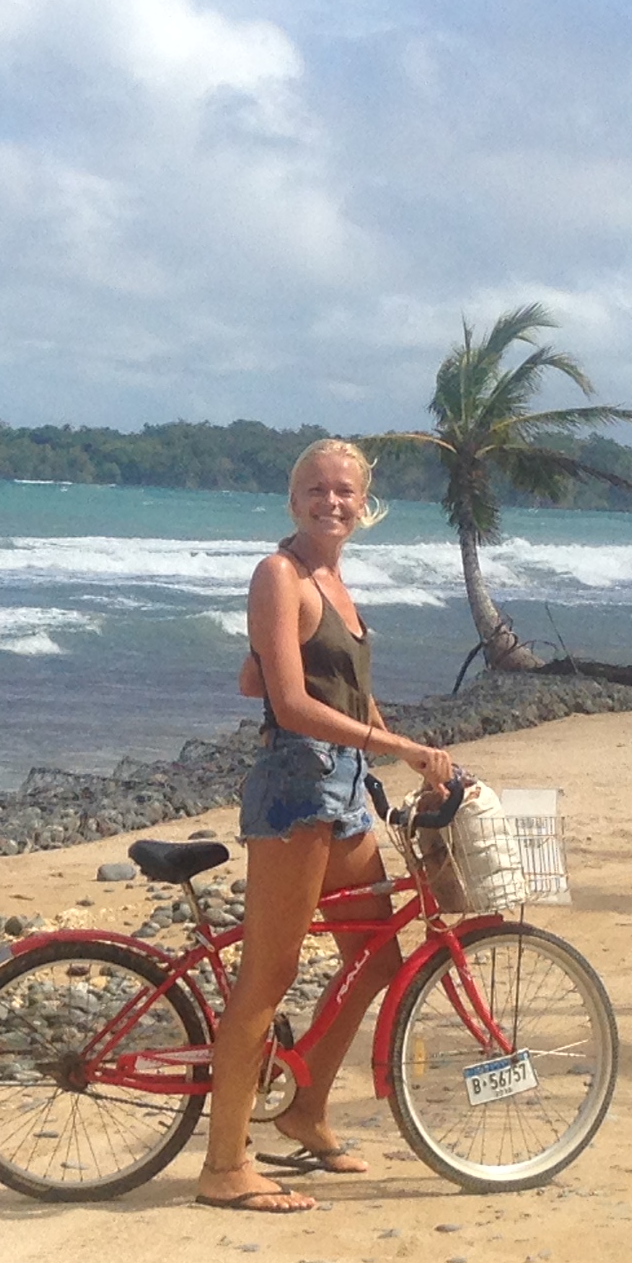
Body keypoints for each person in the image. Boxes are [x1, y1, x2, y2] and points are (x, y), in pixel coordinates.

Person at [195, 438, 457, 1214]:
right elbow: (289, 704)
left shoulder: (334, 583)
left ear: (364, 504)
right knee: (267, 978)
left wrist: (411, 754)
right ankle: (223, 1166)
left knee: (375, 958)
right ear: (293, 498)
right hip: (295, 789)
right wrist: (398, 746)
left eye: (344, 490)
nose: (330, 501)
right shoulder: (279, 574)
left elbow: (333, 690)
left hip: (342, 786)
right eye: (315, 488)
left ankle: (304, 1111)